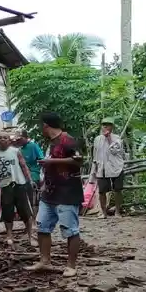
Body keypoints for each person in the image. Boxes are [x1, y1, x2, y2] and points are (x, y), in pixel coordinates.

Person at [33, 111, 85, 277]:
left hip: (68, 191)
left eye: (42, 125)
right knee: (42, 225)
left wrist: (51, 162)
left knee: (70, 229)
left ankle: (71, 266)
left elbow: (78, 161)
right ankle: (45, 261)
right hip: (49, 192)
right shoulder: (50, 142)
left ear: (46, 125)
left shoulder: (68, 140)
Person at [0, 131, 35, 246]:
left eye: (5, 138)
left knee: (25, 211)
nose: (2, 140)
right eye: (0, 138)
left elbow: (23, 166)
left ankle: (31, 236)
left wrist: (30, 180)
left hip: (19, 184)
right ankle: (9, 235)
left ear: (9, 140)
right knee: (7, 212)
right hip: (4, 186)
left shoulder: (15, 151)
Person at [91, 117, 126, 217]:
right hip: (102, 168)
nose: (105, 126)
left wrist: (109, 138)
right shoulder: (97, 139)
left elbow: (115, 151)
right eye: (103, 124)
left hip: (116, 167)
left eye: (108, 124)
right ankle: (103, 212)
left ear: (112, 126)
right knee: (102, 191)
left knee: (117, 190)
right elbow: (95, 155)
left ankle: (117, 212)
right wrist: (94, 170)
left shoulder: (117, 138)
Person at [14, 130, 44, 210]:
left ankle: (34, 215)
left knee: (32, 197)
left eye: (19, 139)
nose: (18, 141)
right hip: (21, 175)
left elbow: (41, 159)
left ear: (25, 137)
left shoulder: (33, 146)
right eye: (17, 140)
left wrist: (39, 171)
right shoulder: (19, 149)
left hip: (33, 174)